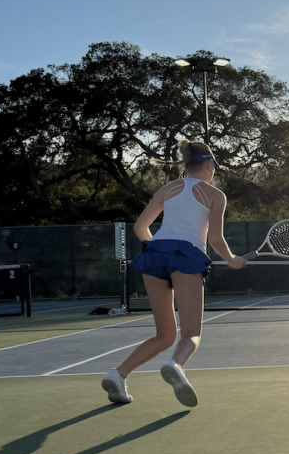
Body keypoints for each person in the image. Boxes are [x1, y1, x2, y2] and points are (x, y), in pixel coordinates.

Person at [101, 139, 246, 408]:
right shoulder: (215, 195)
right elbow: (215, 238)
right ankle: (174, 365)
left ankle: (117, 374)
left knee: (164, 335)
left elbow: (141, 227)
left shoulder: (168, 188)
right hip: (187, 256)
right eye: (213, 165)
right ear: (208, 165)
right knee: (191, 333)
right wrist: (232, 260)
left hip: (154, 253)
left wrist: (160, 248)